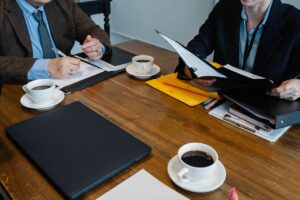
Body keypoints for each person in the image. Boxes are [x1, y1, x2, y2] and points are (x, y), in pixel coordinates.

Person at [176, 0, 300, 100]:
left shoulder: (295, 21)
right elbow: (198, 45)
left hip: (268, 108)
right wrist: (190, 68)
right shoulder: (224, 7)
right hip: (223, 100)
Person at [0, 0, 111, 83]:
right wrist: (46, 67)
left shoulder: (63, 3)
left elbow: (93, 30)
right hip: (17, 89)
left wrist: (97, 45)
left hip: (66, 82)